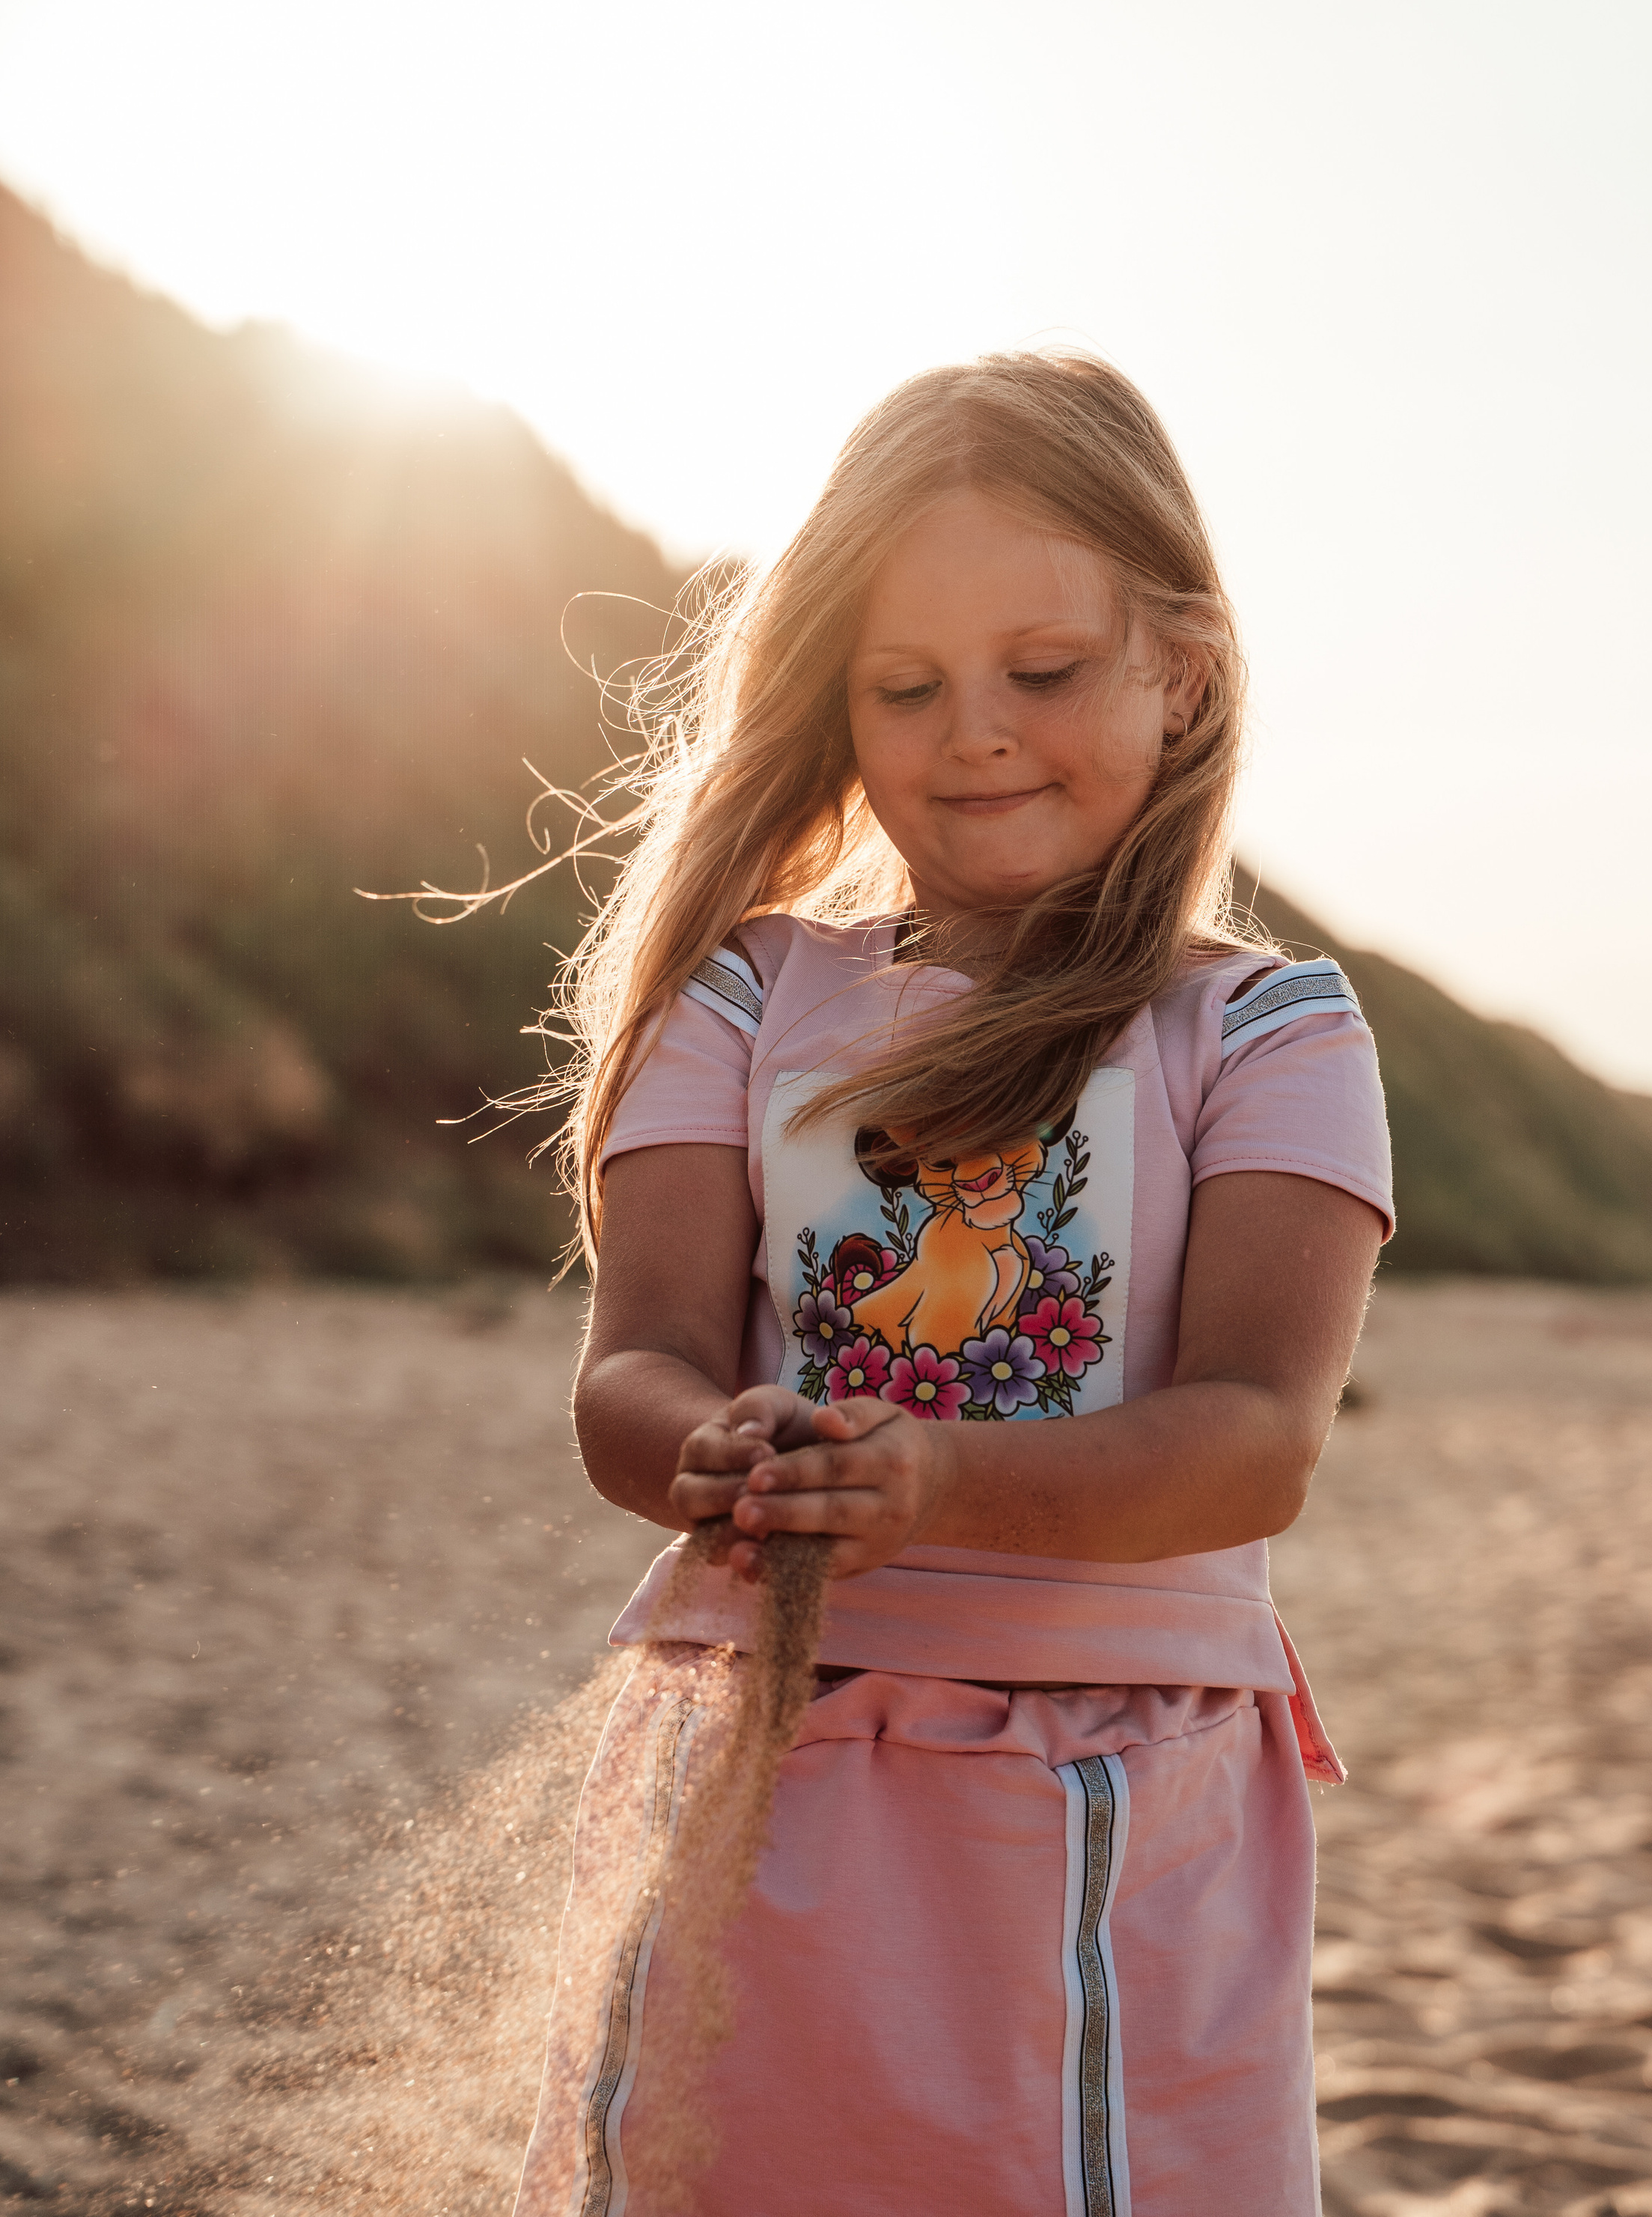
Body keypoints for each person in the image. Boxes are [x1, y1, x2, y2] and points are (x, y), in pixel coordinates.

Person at [513, 353, 1392, 2216]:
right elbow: (634, 1370)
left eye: (1043, 672)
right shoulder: (749, 995)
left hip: (1116, 1791)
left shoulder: (1264, 1025)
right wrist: (715, 1447)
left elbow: (1250, 1442)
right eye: (903, 686)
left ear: (1185, 672)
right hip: (762, 1754)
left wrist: (937, 1478)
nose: (972, 730)